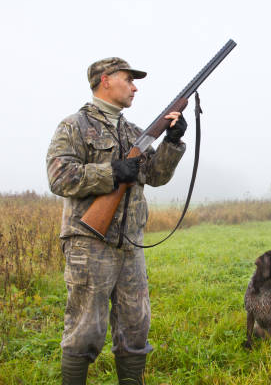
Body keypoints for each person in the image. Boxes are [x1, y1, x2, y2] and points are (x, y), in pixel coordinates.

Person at [46, 57, 187, 385]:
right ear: (105, 80)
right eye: (129, 79)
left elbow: (156, 176)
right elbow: (59, 177)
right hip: (89, 243)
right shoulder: (74, 126)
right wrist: (110, 173)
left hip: (130, 245)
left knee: (136, 326)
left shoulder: (134, 132)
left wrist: (171, 142)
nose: (135, 87)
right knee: (85, 327)